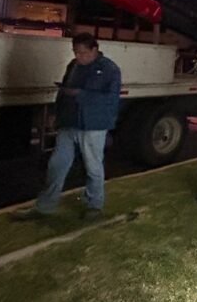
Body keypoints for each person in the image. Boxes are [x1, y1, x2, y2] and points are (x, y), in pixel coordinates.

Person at [13, 33, 121, 221]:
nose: (79, 56)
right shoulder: (74, 66)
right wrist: (55, 113)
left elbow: (111, 99)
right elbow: (64, 91)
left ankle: (94, 206)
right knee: (57, 164)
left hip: (92, 125)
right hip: (69, 123)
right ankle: (45, 207)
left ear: (94, 50)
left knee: (93, 166)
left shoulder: (109, 69)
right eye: (76, 52)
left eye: (83, 53)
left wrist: (81, 94)